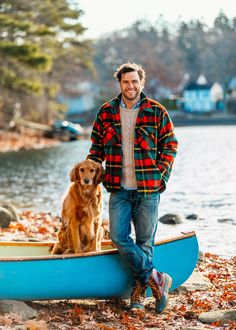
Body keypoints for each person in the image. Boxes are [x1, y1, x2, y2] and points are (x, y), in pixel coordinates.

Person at [87, 62, 178, 313]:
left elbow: (170, 145)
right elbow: (96, 149)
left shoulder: (157, 111)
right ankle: (158, 278)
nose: (130, 86)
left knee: (145, 242)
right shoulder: (106, 112)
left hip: (148, 189)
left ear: (142, 83)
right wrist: (90, 174)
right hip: (118, 188)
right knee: (118, 237)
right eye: (126, 82)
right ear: (120, 83)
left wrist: (161, 175)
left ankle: (138, 295)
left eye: (135, 81)